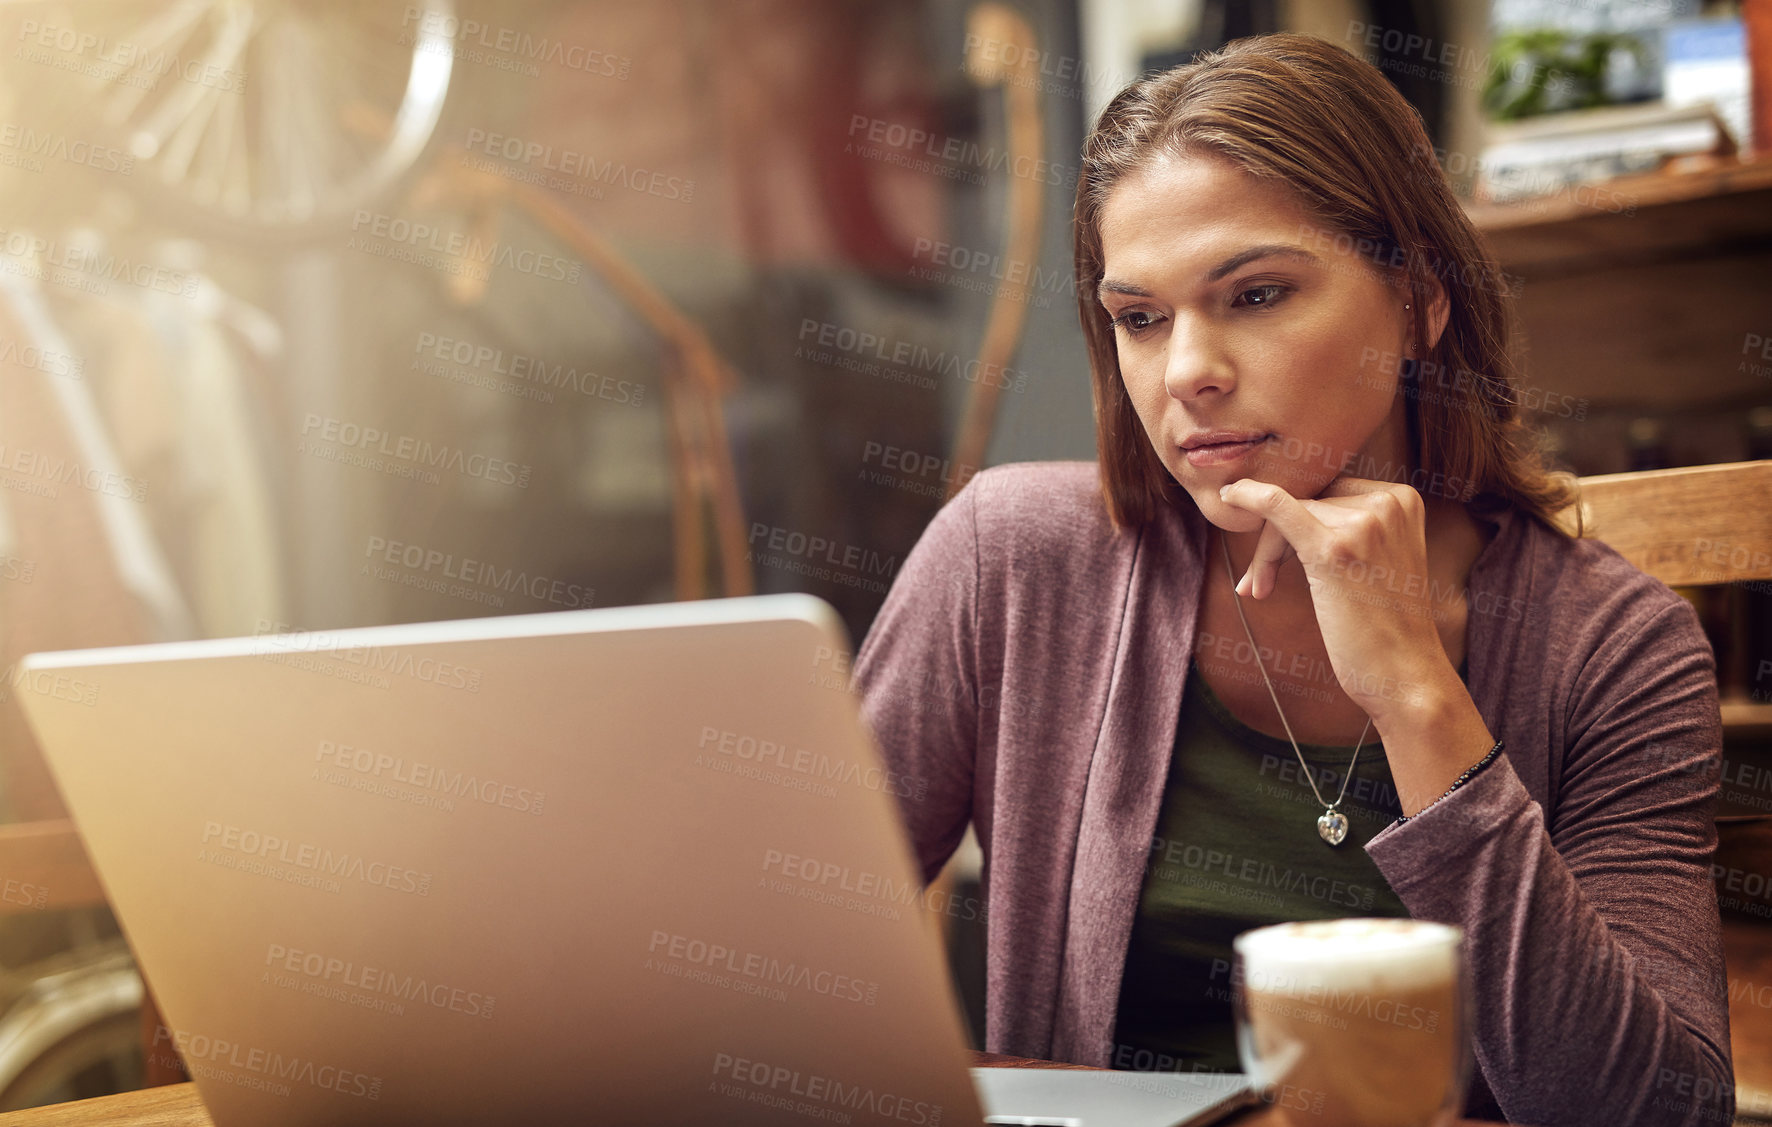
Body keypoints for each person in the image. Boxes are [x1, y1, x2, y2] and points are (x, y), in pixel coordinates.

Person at [853, 33, 1731, 1127]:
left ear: (1419, 301)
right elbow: (764, 951)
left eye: (1256, 294)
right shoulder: (1010, 555)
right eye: (1138, 317)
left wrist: (1418, 695)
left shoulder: (1612, 642)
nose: (1186, 372)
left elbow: (1653, 1112)